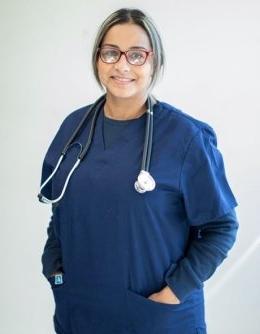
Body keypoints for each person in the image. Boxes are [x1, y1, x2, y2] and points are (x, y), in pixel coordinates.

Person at [38, 7, 239, 334]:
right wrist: (55, 271)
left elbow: (221, 227)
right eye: (110, 53)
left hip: (156, 318)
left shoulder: (186, 138)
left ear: (154, 62)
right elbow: (60, 211)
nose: (121, 65)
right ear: (97, 59)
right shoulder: (73, 129)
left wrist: (174, 292)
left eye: (136, 55)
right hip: (79, 313)